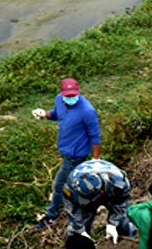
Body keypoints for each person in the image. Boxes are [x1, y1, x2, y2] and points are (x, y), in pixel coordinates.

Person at [31, 78, 102, 230]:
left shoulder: (87, 111)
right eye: (67, 95)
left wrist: (96, 160)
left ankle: (51, 215)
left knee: (59, 184)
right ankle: (79, 202)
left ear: (78, 92)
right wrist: (44, 114)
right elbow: (57, 114)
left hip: (76, 155)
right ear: (62, 93)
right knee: (73, 182)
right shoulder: (59, 100)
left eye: (73, 95)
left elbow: (95, 137)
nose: (70, 98)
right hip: (66, 150)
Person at [61, 159, 138, 239]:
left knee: (126, 224)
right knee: (75, 233)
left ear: (100, 193)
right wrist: (80, 230)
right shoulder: (71, 185)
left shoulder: (119, 181)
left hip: (111, 195)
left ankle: (128, 247)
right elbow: (70, 205)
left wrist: (113, 223)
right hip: (87, 199)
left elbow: (121, 203)